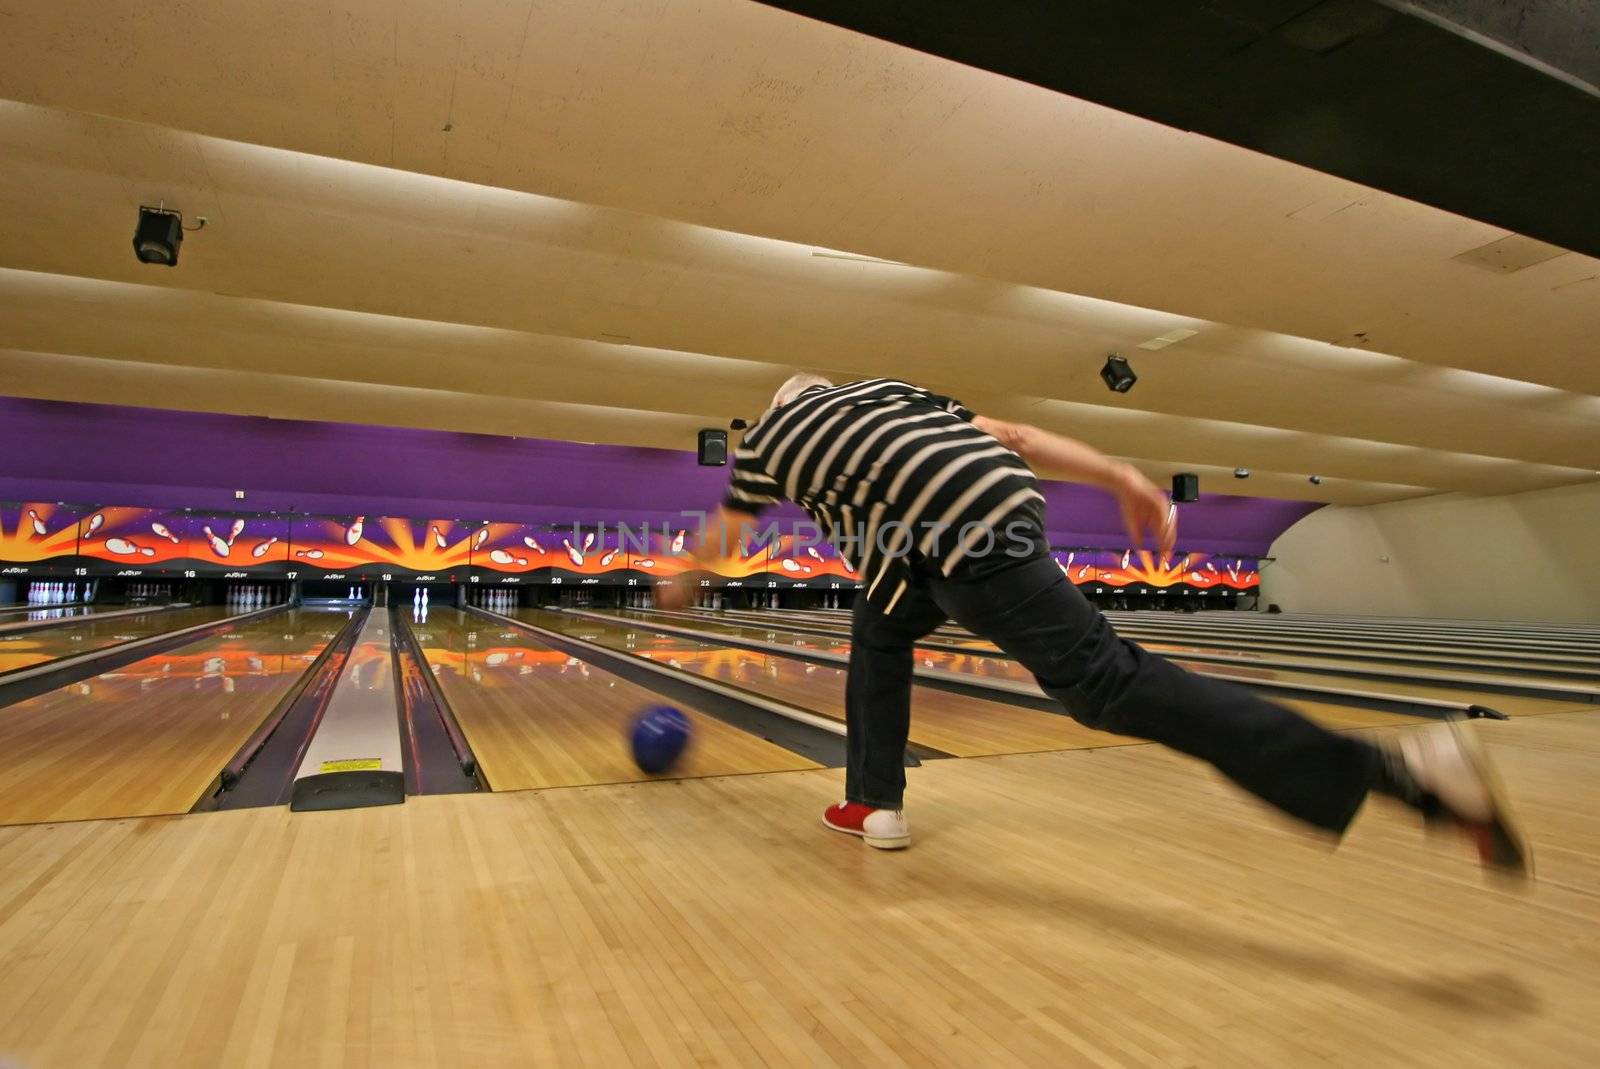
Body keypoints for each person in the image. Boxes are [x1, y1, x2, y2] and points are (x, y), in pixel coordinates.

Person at [664, 373, 1530, 878]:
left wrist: (686, 574)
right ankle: (871, 799)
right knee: (879, 627)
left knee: (1111, 688)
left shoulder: (764, 440)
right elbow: (1012, 432)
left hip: (955, 537)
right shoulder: (889, 391)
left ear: (775, 411)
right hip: (965, 520)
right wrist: (1120, 473)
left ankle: (1406, 767)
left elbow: (731, 531)